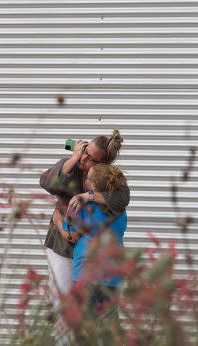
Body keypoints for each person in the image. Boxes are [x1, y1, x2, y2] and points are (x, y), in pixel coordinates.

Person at [39, 130, 129, 316]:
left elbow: (122, 198)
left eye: (91, 159)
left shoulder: (108, 178)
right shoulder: (70, 164)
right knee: (62, 301)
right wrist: (73, 158)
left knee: (83, 309)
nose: (84, 159)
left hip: (89, 252)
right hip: (62, 246)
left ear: (103, 164)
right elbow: (46, 183)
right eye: (86, 152)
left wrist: (88, 195)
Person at [52, 163, 127, 313]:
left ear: (94, 185)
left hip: (86, 276)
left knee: (85, 326)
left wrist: (59, 222)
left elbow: (71, 237)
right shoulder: (120, 208)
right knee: (108, 324)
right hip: (114, 278)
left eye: (88, 178)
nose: (84, 180)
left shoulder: (83, 207)